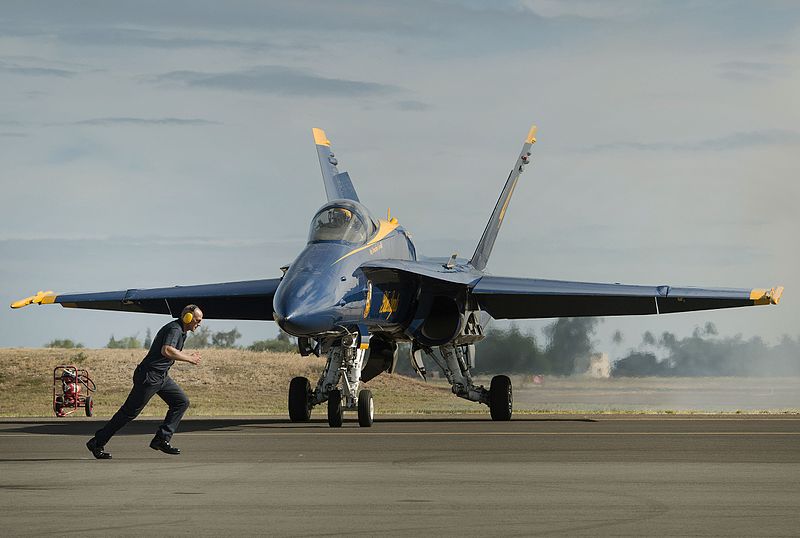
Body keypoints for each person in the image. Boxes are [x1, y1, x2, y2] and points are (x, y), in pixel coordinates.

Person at [86, 305, 203, 459]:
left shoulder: (181, 331)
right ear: (187, 317)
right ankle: (97, 442)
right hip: (149, 376)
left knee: (181, 402)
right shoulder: (174, 329)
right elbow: (166, 350)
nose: (199, 324)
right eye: (197, 320)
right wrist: (190, 359)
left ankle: (161, 439)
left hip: (161, 377)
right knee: (128, 413)